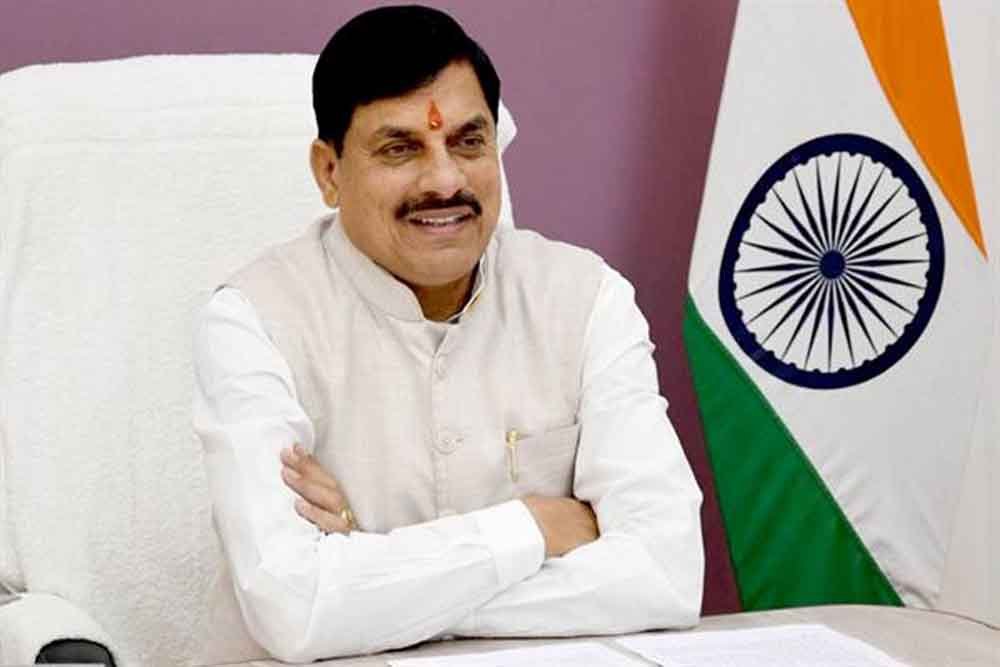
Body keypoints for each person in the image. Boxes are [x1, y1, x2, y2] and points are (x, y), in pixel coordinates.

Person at [193, 5, 703, 662]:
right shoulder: (255, 321)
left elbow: (665, 574)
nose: (444, 180)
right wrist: (533, 527)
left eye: (468, 142)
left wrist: (368, 575)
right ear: (329, 172)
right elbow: (294, 606)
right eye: (400, 148)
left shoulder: (585, 299)